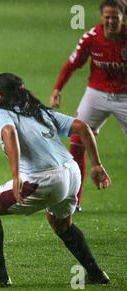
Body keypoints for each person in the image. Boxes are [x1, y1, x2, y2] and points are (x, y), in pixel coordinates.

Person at [0, 73, 111, 288]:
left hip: (42, 180)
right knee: (61, 224)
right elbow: (82, 127)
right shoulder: (39, 111)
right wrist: (96, 165)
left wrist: (17, 176)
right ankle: (96, 274)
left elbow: (9, 132)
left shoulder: (1, 115)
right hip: (72, 173)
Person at [50, 0, 126, 212]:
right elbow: (72, 64)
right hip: (97, 94)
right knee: (76, 141)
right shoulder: (91, 38)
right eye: (107, 17)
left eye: (115, 17)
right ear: (102, 17)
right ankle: (75, 200)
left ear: (123, 17)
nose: (111, 21)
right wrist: (58, 89)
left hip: (125, 96)